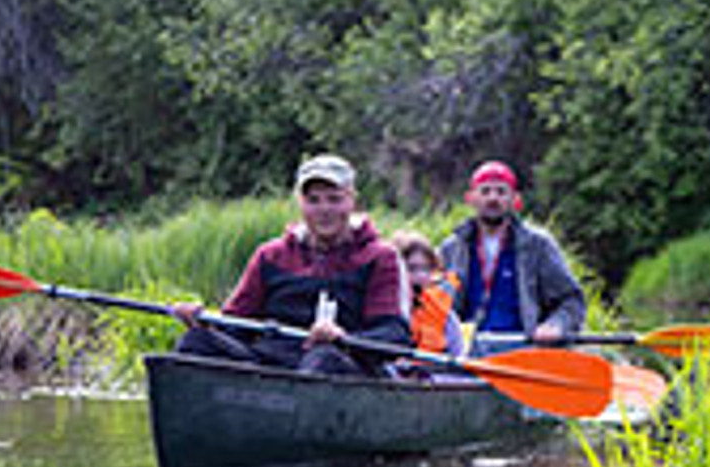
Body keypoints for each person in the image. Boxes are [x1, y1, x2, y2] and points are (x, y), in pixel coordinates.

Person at [170, 154, 410, 375]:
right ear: (300, 203)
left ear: (352, 201)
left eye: (334, 199)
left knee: (322, 358)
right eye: (313, 200)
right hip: (271, 361)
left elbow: (393, 336)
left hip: (342, 364)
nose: (324, 210)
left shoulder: (380, 257)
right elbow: (235, 324)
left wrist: (342, 338)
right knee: (197, 340)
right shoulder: (270, 255)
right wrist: (205, 323)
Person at [438, 160, 586, 352]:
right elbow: (430, 303)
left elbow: (571, 300)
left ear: (515, 199)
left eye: (501, 192)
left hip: (523, 351)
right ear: (471, 198)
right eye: (485, 191)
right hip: (464, 353)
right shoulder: (451, 248)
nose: (493, 198)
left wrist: (556, 326)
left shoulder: (538, 245)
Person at [388, 229, 466, 357]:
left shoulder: (442, 310)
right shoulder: (381, 306)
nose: (421, 276)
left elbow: (459, 354)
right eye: (411, 268)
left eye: (426, 268)